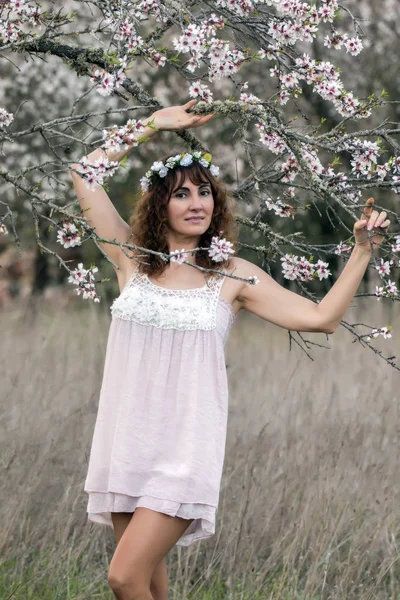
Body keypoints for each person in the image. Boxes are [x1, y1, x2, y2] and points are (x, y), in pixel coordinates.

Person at [69, 99, 390, 600]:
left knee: (123, 577)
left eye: (205, 193)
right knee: (149, 586)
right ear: (159, 205)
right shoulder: (132, 258)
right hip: (127, 439)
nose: (197, 203)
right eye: (181, 194)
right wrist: (155, 123)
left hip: (183, 450)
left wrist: (361, 252)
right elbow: (84, 173)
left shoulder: (232, 276)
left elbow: (320, 319)